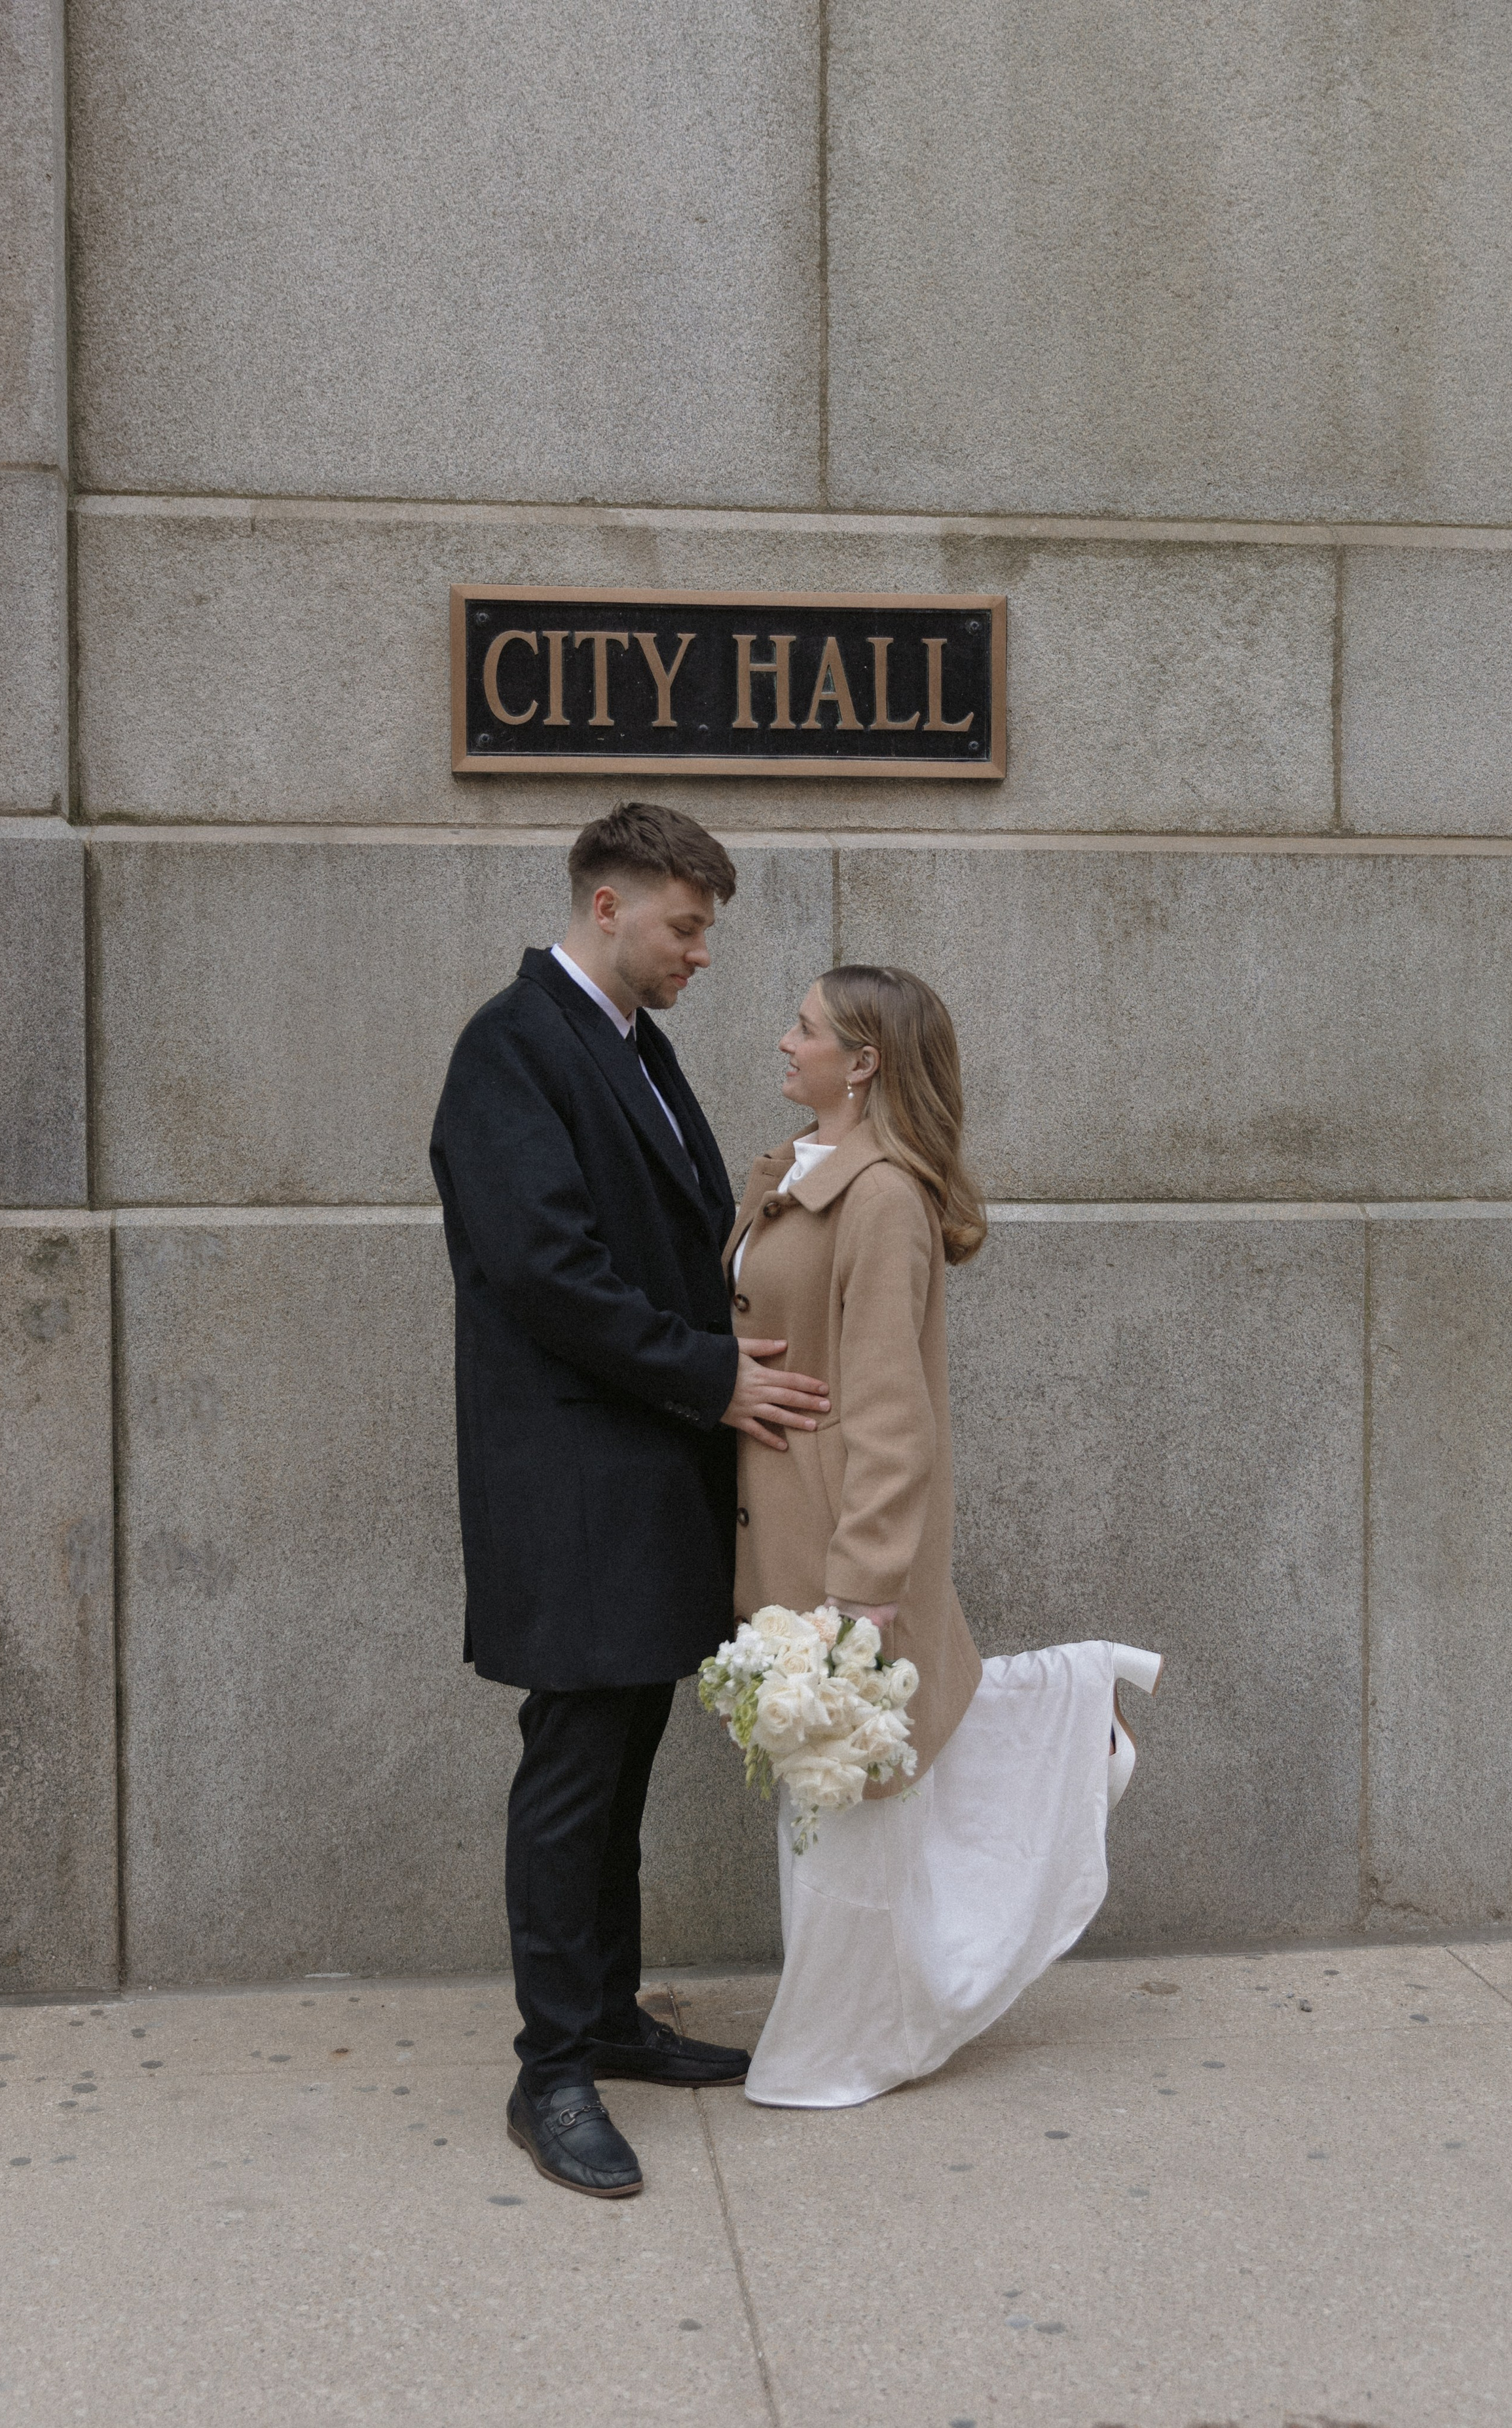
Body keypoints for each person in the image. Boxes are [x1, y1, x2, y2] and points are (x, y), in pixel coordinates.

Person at [430, 800, 832, 2197]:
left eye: (704, 929)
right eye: (682, 925)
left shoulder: (627, 1049)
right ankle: (549, 2074)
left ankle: (603, 2019)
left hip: (639, 1477)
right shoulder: (511, 1047)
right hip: (575, 1484)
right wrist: (710, 1377)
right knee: (572, 1775)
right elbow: (545, 1273)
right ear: (606, 906)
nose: (698, 952)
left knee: (615, 1768)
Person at [724, 965, 1164, 2106]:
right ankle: (1077, 1712)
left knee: (848, 1806)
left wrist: (868, 1588)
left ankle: (843, 2045)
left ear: (862, 1061)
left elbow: (890, 1411)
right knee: (833, 1799)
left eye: (805, 1028)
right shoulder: (797, 1174)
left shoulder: (879, 1198)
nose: (784, 1040)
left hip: (835, 1551)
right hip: (781, 1539)